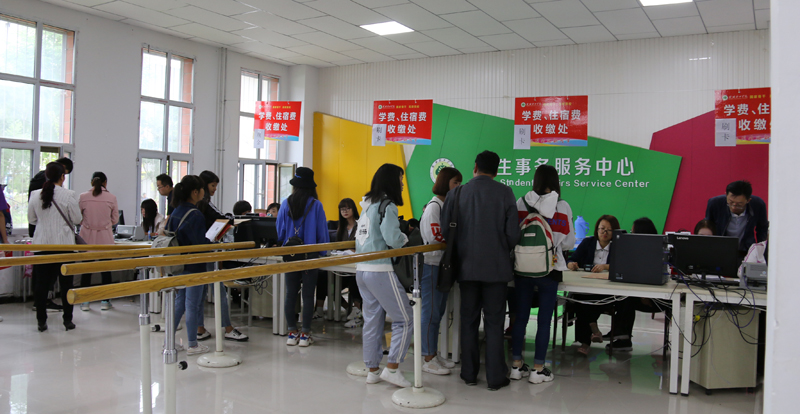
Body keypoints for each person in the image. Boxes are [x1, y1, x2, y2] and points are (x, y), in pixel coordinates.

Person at [441, 151, 520, 391]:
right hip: (496, 269)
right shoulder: (505, 193)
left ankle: (469, 374)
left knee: (468, 320)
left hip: (466, 268)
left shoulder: (457, 193)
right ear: (497, 170)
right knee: (495, 323)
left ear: (475, 167)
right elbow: (513, 235)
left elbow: (446, 231)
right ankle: (495, 377)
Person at [510, 165, 575, 384]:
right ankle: (538, 369)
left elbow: (512, 234)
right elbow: (569, 242)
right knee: (544, 320)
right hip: (550, 269)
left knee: (520, 317)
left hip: (522, 267)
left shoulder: (521, 203)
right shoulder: (562, 206)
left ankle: (516, 366)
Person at [355, 163, 413, 387]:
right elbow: (393, 239)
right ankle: (392, 368)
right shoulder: (387, 205)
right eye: (400, 178)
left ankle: (372, 369)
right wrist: (405, 238)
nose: (402, 183)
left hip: (362, 270)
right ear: (391, 180)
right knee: (405, 319)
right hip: (380, 270)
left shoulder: (367, 203)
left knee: (372, 320)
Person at [276, 167, 329, 347]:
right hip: (310, 255)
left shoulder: (285, 203)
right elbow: (322, 233)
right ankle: (305, 334)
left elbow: (280, 231)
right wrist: (323, 253)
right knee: (308, 295)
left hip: (290, 255)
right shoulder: (316, 205)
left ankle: (292, 333)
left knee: (290, 294)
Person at [28, 162, 82, 332]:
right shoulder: (69, 195)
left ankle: (41, 321)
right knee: (66, 285)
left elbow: (32, 219)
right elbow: (77, 219)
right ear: (62, 177)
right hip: (64, 246)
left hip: (42, 245)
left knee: (41, 285)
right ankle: (67, 320)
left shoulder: (35, 194)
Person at [195, 170, 248, 343]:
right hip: (207, 252)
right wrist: (232, 218)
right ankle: (228, 328)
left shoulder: (194, 204)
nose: (214, 189)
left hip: (197, 253)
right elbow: (224, 218)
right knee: (219, 290)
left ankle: (199, 328)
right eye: (212, 185)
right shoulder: (204, 203)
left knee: (200, 292)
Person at [419, 166, 462, 375]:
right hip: (432, 265)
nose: (458, 187)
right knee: (430, 312)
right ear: (445, 183)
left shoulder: (447, 205)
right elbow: (435, 237)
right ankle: (427, 357)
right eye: (455, 183)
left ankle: (433, 353)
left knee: (439, 312)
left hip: (443, 265)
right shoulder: (434, 207)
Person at [167, 175, 211, 355]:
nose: (204, 193)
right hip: (194, 265)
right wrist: (212, 243)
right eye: (202, 190)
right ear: (195, 192)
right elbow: (199, 242)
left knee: (180, 303)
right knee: (192, 304)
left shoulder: (176, 211)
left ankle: (168, 341)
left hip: (178, 264)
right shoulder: (195, 214)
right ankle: (192, 344)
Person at [605, 217, 662, 351]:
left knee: (626, 298)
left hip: (655, 298)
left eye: (632, 232)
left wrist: (646, 294)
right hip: (638, 294)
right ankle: (622, 336)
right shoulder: (634, 251)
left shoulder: (656, 252)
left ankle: (621, 334)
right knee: (624, 297)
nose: (630, 235)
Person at [567, 214, 620, 355]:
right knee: (579, 299)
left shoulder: (618, 246)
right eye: (602, 228)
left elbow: (623, 265)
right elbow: (572, 259)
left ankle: (587, 337)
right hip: (585, 285)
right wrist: (571, 264)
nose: (604, 232)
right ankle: (590, 333)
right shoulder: (588, 243)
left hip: (606, 290)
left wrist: (606, 267)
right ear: (597, 229)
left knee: (587, 302)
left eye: (609, 230)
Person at [78, 172, 119, 311]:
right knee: (105, 270)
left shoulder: (83, 197)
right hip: (105, 237)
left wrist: (87, 224)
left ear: (91, 182)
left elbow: (78, 218)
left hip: (87, 237)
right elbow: (115, 220)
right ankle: (105, 301)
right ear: (105, 183)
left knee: (86, 270)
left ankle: (85, 302)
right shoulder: (111, 198)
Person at [705, 180, 768, 254]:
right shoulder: (715, 204)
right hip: (719, 249)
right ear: (726, 195)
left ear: (748, 200)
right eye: (730, 202)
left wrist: (761, 252)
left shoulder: (758, 205)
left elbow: (762, 229)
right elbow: (707, 227)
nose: (734, 207)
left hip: (746, 249)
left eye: (739, 204)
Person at [336, 198, 364, 329]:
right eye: (342, 209)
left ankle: (356, 311)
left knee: (354, 281)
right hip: (342, 265)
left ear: (353, 209)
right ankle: (351, 309)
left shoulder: (360, 225)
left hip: (357, 265)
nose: (345, 211)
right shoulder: (341, 228)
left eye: (347, 208)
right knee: (327, 282)